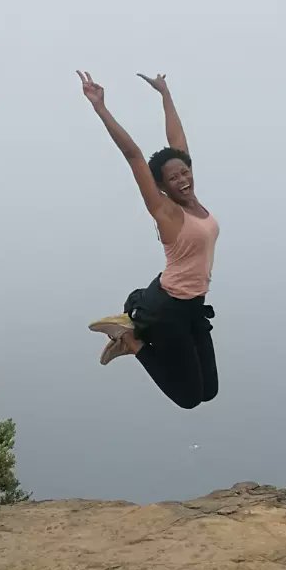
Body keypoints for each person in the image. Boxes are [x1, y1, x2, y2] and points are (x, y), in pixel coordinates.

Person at [77, 71, 219, 410]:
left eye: (185, 172)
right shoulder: (167, 213)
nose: (183, 179)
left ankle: (135, 332)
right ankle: (132, 341)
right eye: (174, 178)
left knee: (208, 391)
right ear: (163, 186)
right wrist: (101, 107)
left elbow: (177, 140)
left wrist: (165, 94)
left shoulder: (192, 199)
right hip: (169, 307)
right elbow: (134, 156)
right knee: (188, 399)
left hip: (193, 305)